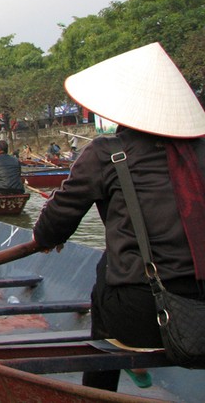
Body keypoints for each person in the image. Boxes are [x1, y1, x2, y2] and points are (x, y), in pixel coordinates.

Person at [32, 42, 205, 392]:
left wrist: (47, 240)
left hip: (146, 315)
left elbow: (54, 223)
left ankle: (100, 388)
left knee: (105, 271)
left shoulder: (106, 154)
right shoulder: (199, 152)